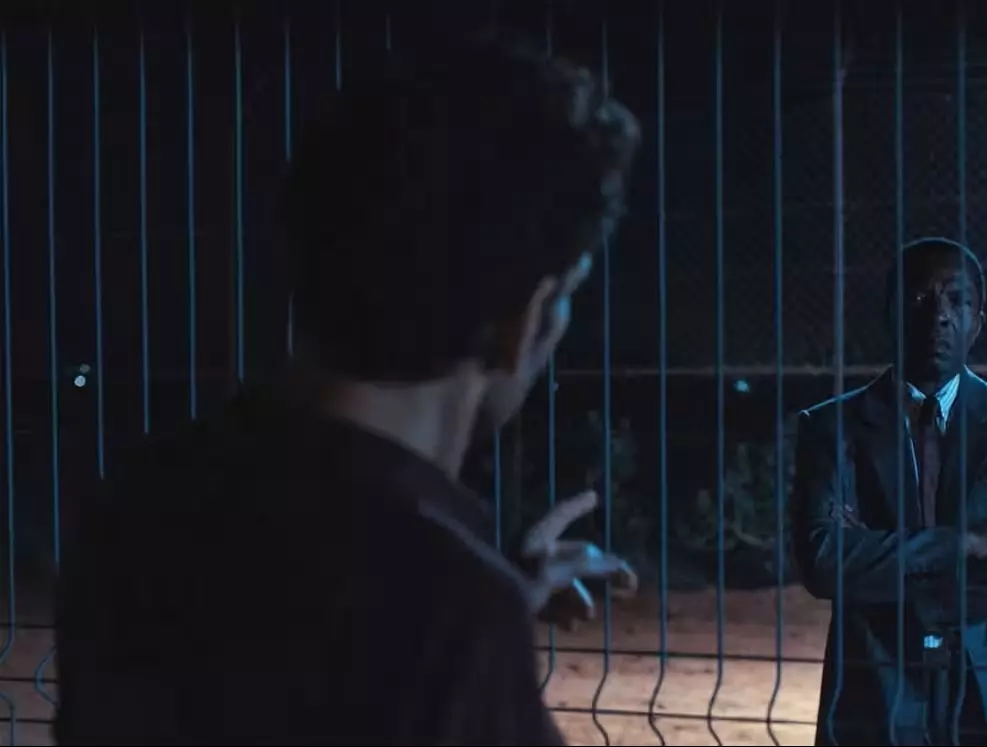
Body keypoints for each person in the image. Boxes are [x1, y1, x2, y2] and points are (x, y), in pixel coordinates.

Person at [54, 35, 640, 746]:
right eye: (569, 292)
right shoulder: (452, 614)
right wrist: (475, 615)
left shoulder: (135, 511)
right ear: (525, 320)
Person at [792, 237, 987, 746]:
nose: (940, 316)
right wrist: (963, 542)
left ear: (978, 322)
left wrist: (905, 579)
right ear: (890, 313)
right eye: (920, 298)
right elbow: (821, 561)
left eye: (957, 300)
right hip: (877, 690)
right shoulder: (831, 428)